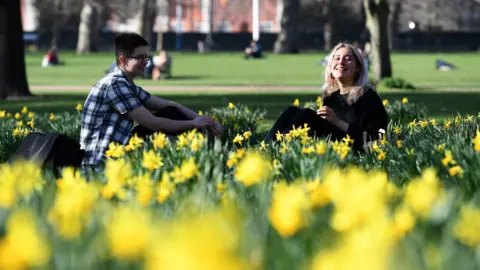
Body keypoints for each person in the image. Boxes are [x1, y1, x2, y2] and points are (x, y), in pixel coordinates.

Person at [80, 33, 224, 174]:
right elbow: (153, 123)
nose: (145, 62)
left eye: (146, 57)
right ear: (123, 60)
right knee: (173, 120)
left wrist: (208, 122)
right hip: (102, 162)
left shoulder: (127, 84)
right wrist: (194, 124)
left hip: (117, 150)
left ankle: (205, 157)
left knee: (171, 112)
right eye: (140, 58)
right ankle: (207, 162)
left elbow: (168, 105)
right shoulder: (115, 85)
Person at [264, 42, 388, 151]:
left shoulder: (368, 96)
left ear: (358, 67)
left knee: (307, 113)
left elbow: (376, 136)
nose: (341, 62)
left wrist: (337, 122)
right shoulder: (331, 97)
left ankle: (281, 148)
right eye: (337, 58)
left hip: (351, 149)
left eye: (348, 58)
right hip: (329, 144)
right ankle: (267, 148)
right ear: (330, 66)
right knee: (291, 111)